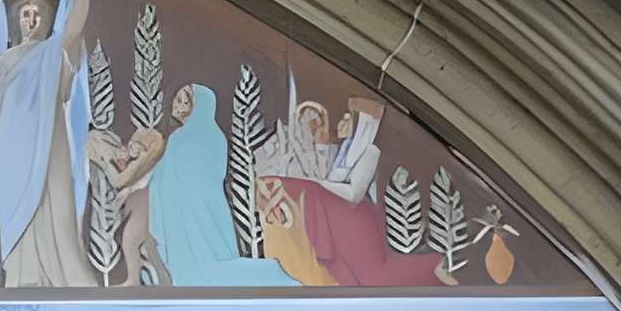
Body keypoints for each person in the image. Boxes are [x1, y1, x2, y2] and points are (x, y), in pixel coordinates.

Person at [0, 0, 102, 287]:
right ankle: (23, 276)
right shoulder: (4, 62)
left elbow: (74, 26)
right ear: (16, 21)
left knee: (57, 208)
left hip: (49, 143)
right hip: (12, 149)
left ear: (47, 20)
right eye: (25, 14)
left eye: (38, 14)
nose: (31, 20)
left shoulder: (52, 53)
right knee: (18, 212)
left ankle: (64, 278)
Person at [255, 97, 444, 286]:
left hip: (345, 223)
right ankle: (368, 123)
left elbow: (351, 191)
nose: (315, 128)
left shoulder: (324, 167)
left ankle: (368, 124)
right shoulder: (300, 165)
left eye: (316, 122)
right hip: (337, 223)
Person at [143, 84, 295, 286]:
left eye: (185, 101)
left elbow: (207, 176)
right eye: (177, 99)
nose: (177, 105)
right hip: (181, 209)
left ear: (200, 106)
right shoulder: (198, 136)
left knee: (204, 266)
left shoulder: (203, 136)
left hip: (201, 210)